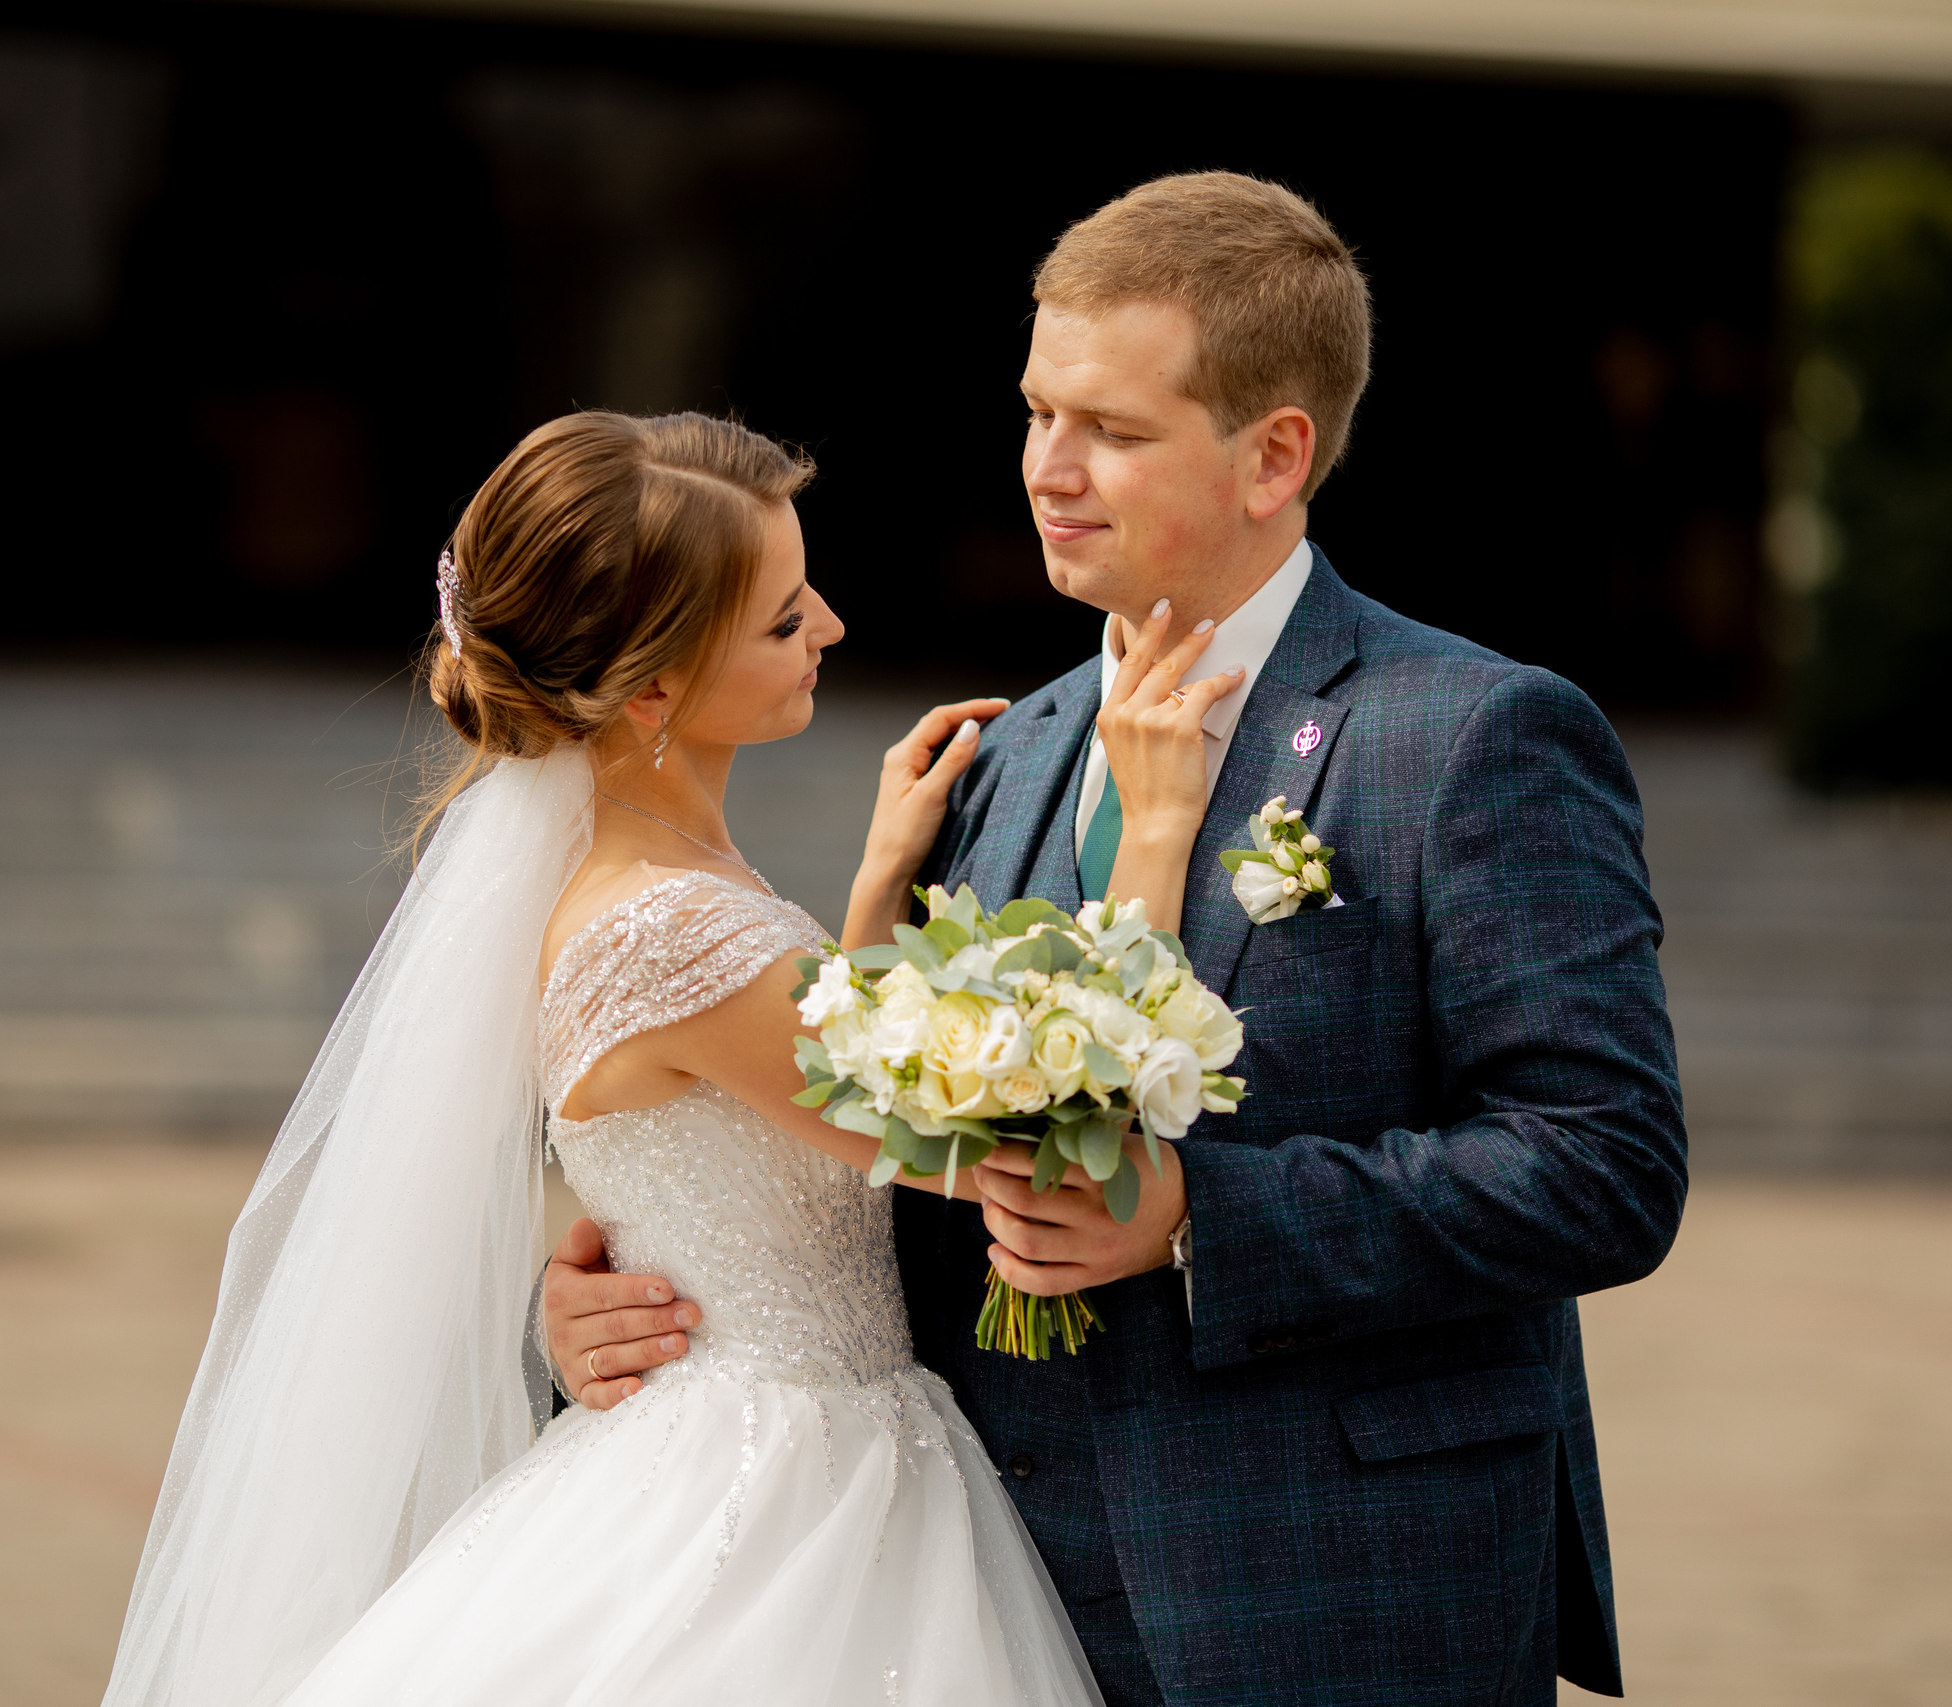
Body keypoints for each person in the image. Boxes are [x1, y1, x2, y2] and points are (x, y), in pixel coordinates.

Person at [542, 172, 1689, 1706]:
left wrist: (1199, 1217)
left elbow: (1603, 1166)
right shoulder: (1002, 757)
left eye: (1114, 432)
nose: (1046, 470)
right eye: (1036, 413)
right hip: (971, 1595)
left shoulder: (1474, 738)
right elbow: (877, 1151)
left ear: (1276, 454)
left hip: (1339, 1589)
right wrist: (621, 1299)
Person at [105, 409, 1222, 1706]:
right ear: (652, 688)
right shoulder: (670, 938)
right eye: (784, 618)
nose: (834, 629)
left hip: (759, 1440)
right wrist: (1156, 829)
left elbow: (801, 1112)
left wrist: (871, 893)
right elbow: (1033, 1135)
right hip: (774, 1496)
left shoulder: (661, 890)